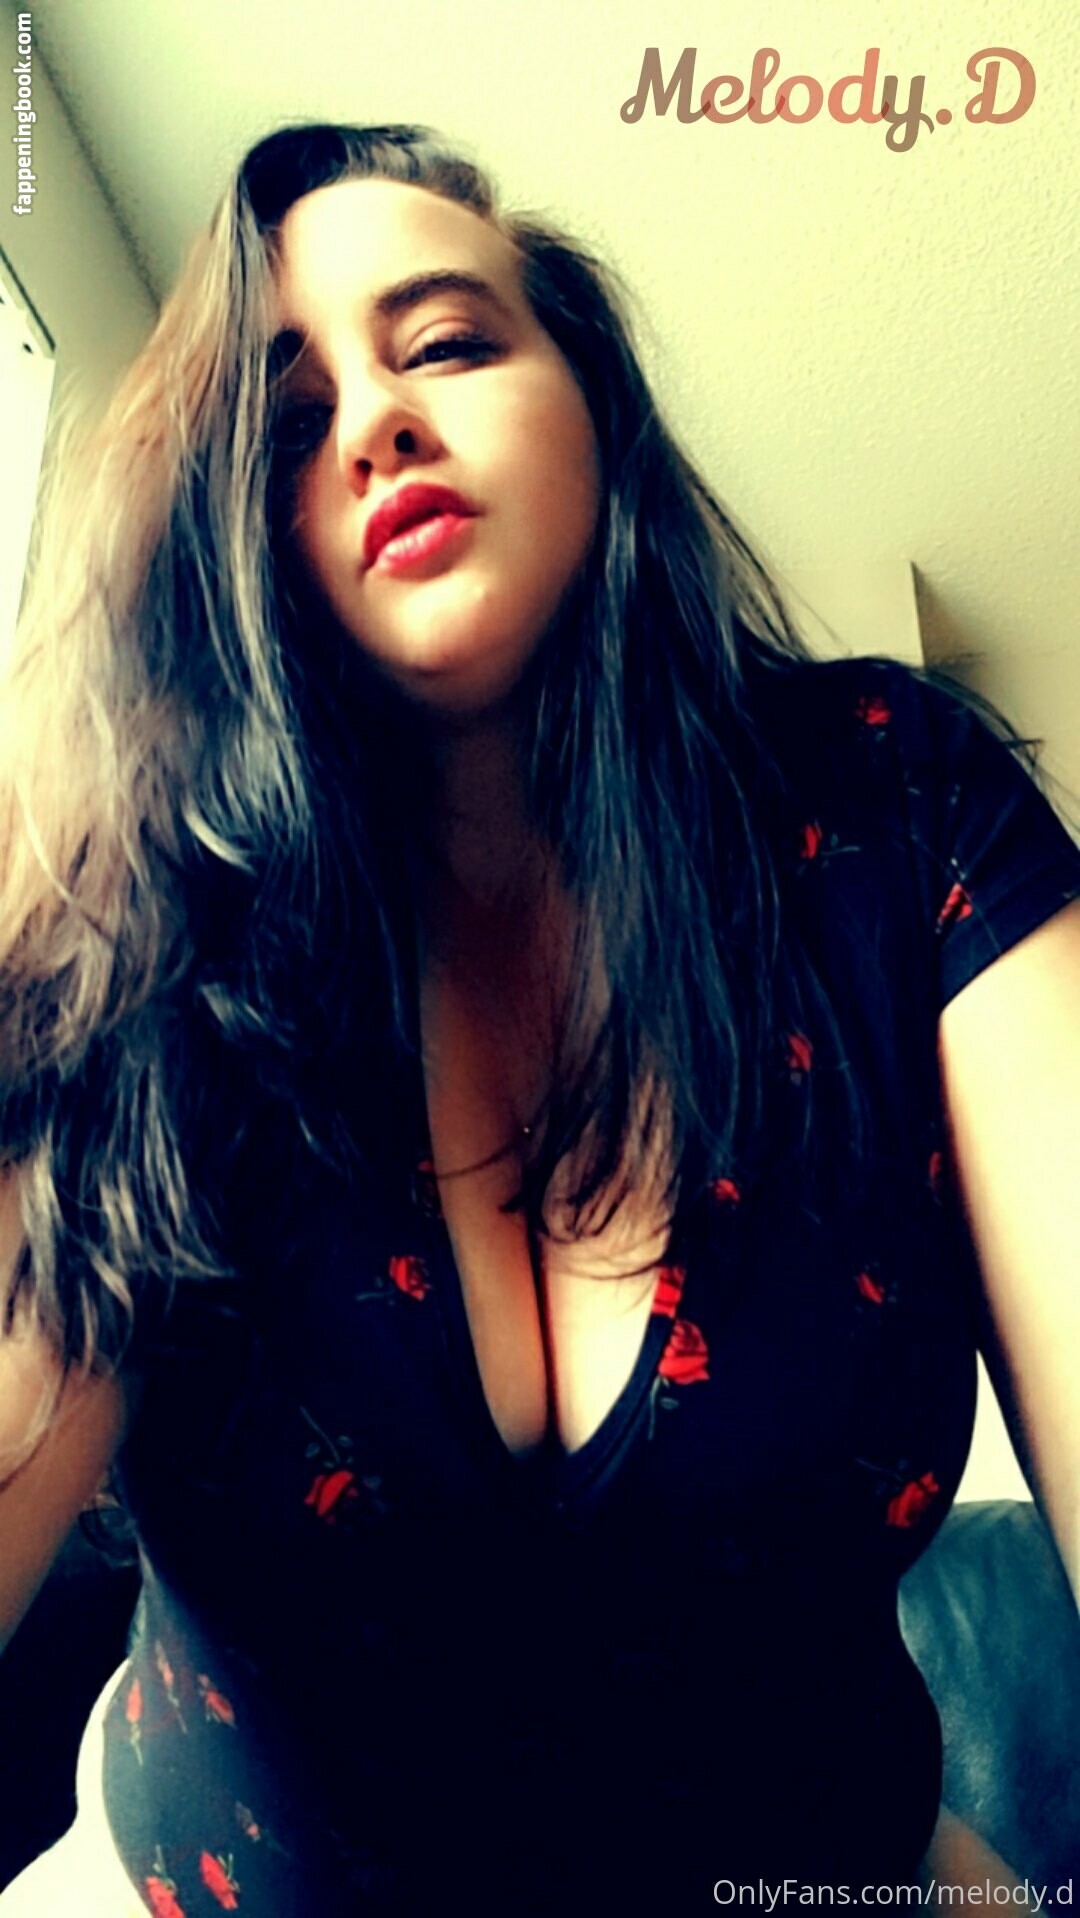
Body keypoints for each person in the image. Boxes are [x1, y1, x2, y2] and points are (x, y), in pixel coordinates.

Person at [0, 121, 1077, 1914]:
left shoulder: (902, 812)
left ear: (593, 400)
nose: (375, 424)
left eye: (444, 342)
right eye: (287, 423)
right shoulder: (149, 932)